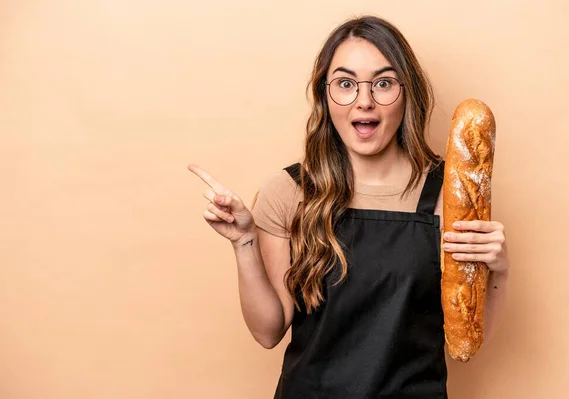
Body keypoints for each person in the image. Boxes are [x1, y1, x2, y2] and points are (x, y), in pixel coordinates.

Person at [188, 15, 509, 399]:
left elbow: (465, 346)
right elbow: (268, 332)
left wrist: (499, 270)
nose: (365, 101)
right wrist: (243, 242)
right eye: (345, 84)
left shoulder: (448, 195)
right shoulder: (290, 191)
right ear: (326, 95)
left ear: (407, 93)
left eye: (384, 83)